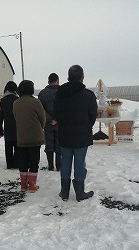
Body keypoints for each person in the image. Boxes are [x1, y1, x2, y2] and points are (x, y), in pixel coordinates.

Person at [54, 65, 97, 202]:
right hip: (82, 134)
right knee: (79, 162)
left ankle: (64, 192)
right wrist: (85, 126)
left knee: (65, 161)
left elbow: (56, 113)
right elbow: (92, 116)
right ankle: (80, 193)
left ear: (68, 78)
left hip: (64, 133)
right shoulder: (88, 95)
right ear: (82, 78)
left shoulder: (59, 94)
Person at [13, 80, 46, 192]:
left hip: (21, 136)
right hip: (35, 136)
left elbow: (16, 117)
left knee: (23, 161)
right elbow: (43, 118)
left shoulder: (15, 103)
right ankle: (32, 185)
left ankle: (23, 185)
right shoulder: (35, 102)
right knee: (33, 161)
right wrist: (40, 127)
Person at [38, 73, 61, 171]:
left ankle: (50, 165)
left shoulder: (42, 93)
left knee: (49, 144)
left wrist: (50, 119)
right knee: (59, 145)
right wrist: (57, 119)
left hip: (47, 123)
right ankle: (59, 165)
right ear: (57, 80)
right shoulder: (62, 92)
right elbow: (64, 107)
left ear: (48, 81)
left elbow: (41, 109)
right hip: (60, 124)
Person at [0, 81, 19, 169]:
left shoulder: (3, 100)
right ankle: (16, 163)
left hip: (7, 125)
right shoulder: (16, 99)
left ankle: (9, 163)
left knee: (8, 146)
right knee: (16, 145)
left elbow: (1, 115)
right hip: (16, 125)